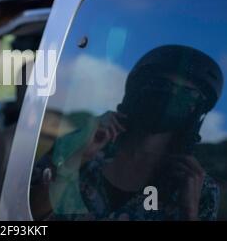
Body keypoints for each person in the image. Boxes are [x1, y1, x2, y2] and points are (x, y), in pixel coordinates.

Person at [31, 45, 224, 221]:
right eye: (162, 85)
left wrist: (190, 212)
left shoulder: (199, 189)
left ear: (196, 110)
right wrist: (76, 159)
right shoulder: (78, 144)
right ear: (137, 90)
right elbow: (22, 219)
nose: (170, 97)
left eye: (187, 93)